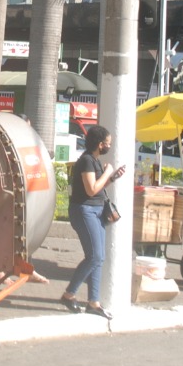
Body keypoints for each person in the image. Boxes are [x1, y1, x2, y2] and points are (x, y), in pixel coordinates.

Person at [60, 124, 126, 319]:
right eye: (107, 143)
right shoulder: (87, 161)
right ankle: (69, 294)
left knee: (99, 257)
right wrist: (107, 172)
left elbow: (98, 187)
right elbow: (90, 190)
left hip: (97, 210)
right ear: (99, 144)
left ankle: (93, 302)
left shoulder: (96, 161)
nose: (109, 146)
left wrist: (112, 177)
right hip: (85, 210)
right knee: (95, 256)